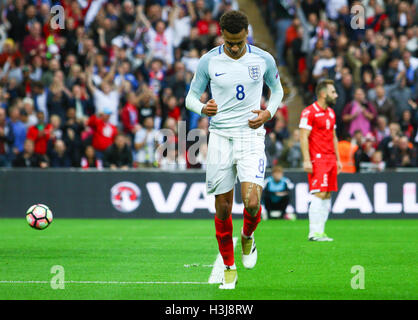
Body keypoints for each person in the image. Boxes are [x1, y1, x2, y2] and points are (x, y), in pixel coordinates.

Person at [185, 10, 284, 289]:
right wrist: (203, 107)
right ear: (222, 34)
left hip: (251, 136)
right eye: (230, 43)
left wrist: (269, 112)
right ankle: (229, 266)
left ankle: (248, 237)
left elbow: (277, 91)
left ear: (246, 34)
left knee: (252, 203)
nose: (235, 47)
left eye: (239, 42)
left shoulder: (263, 59)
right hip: (219, 137)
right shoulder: (209, 61)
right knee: (223, 206)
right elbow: (191, 97)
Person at [299, 79, 342, 242]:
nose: (336, 95)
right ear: (323, 94)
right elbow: (303, 136)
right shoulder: (308, 112)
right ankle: (313, 232)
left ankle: (321, 232)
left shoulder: (331, 113)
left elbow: (334, 136)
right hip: (318, 159)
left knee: (327, 195)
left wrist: (338, 159)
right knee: (320, 193)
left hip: (331, 159)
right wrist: (306, 160)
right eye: (333, 92)